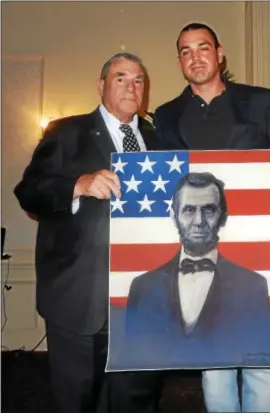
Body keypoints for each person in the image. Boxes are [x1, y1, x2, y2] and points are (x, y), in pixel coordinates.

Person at [153, 23, 270, 413]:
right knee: (215, 365)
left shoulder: (261, 102)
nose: (195, 56)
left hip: (258, 256)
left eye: (203, 47)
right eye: (186, 50)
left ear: (220, 53)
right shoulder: (166, 115)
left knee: (262, 365)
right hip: (199, 257)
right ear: (179, 61)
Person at [14, 52, 163, 413]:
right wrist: (78, 184)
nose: (132, 86)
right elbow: (30, 190)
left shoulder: (157, 140)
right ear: (101, 86)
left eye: (139, 79)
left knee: (136, 402)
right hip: (80, 300)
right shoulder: (66, 132)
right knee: (78, 403)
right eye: (121, 78)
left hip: (142, 305)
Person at [125, 172, 270, 369]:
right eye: (188, 210)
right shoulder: (142, 287)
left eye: (209, 210)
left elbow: (258, 355)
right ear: (173, 216)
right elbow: (134, 356)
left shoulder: (253, 286)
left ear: (223, 217)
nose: (199, 221)